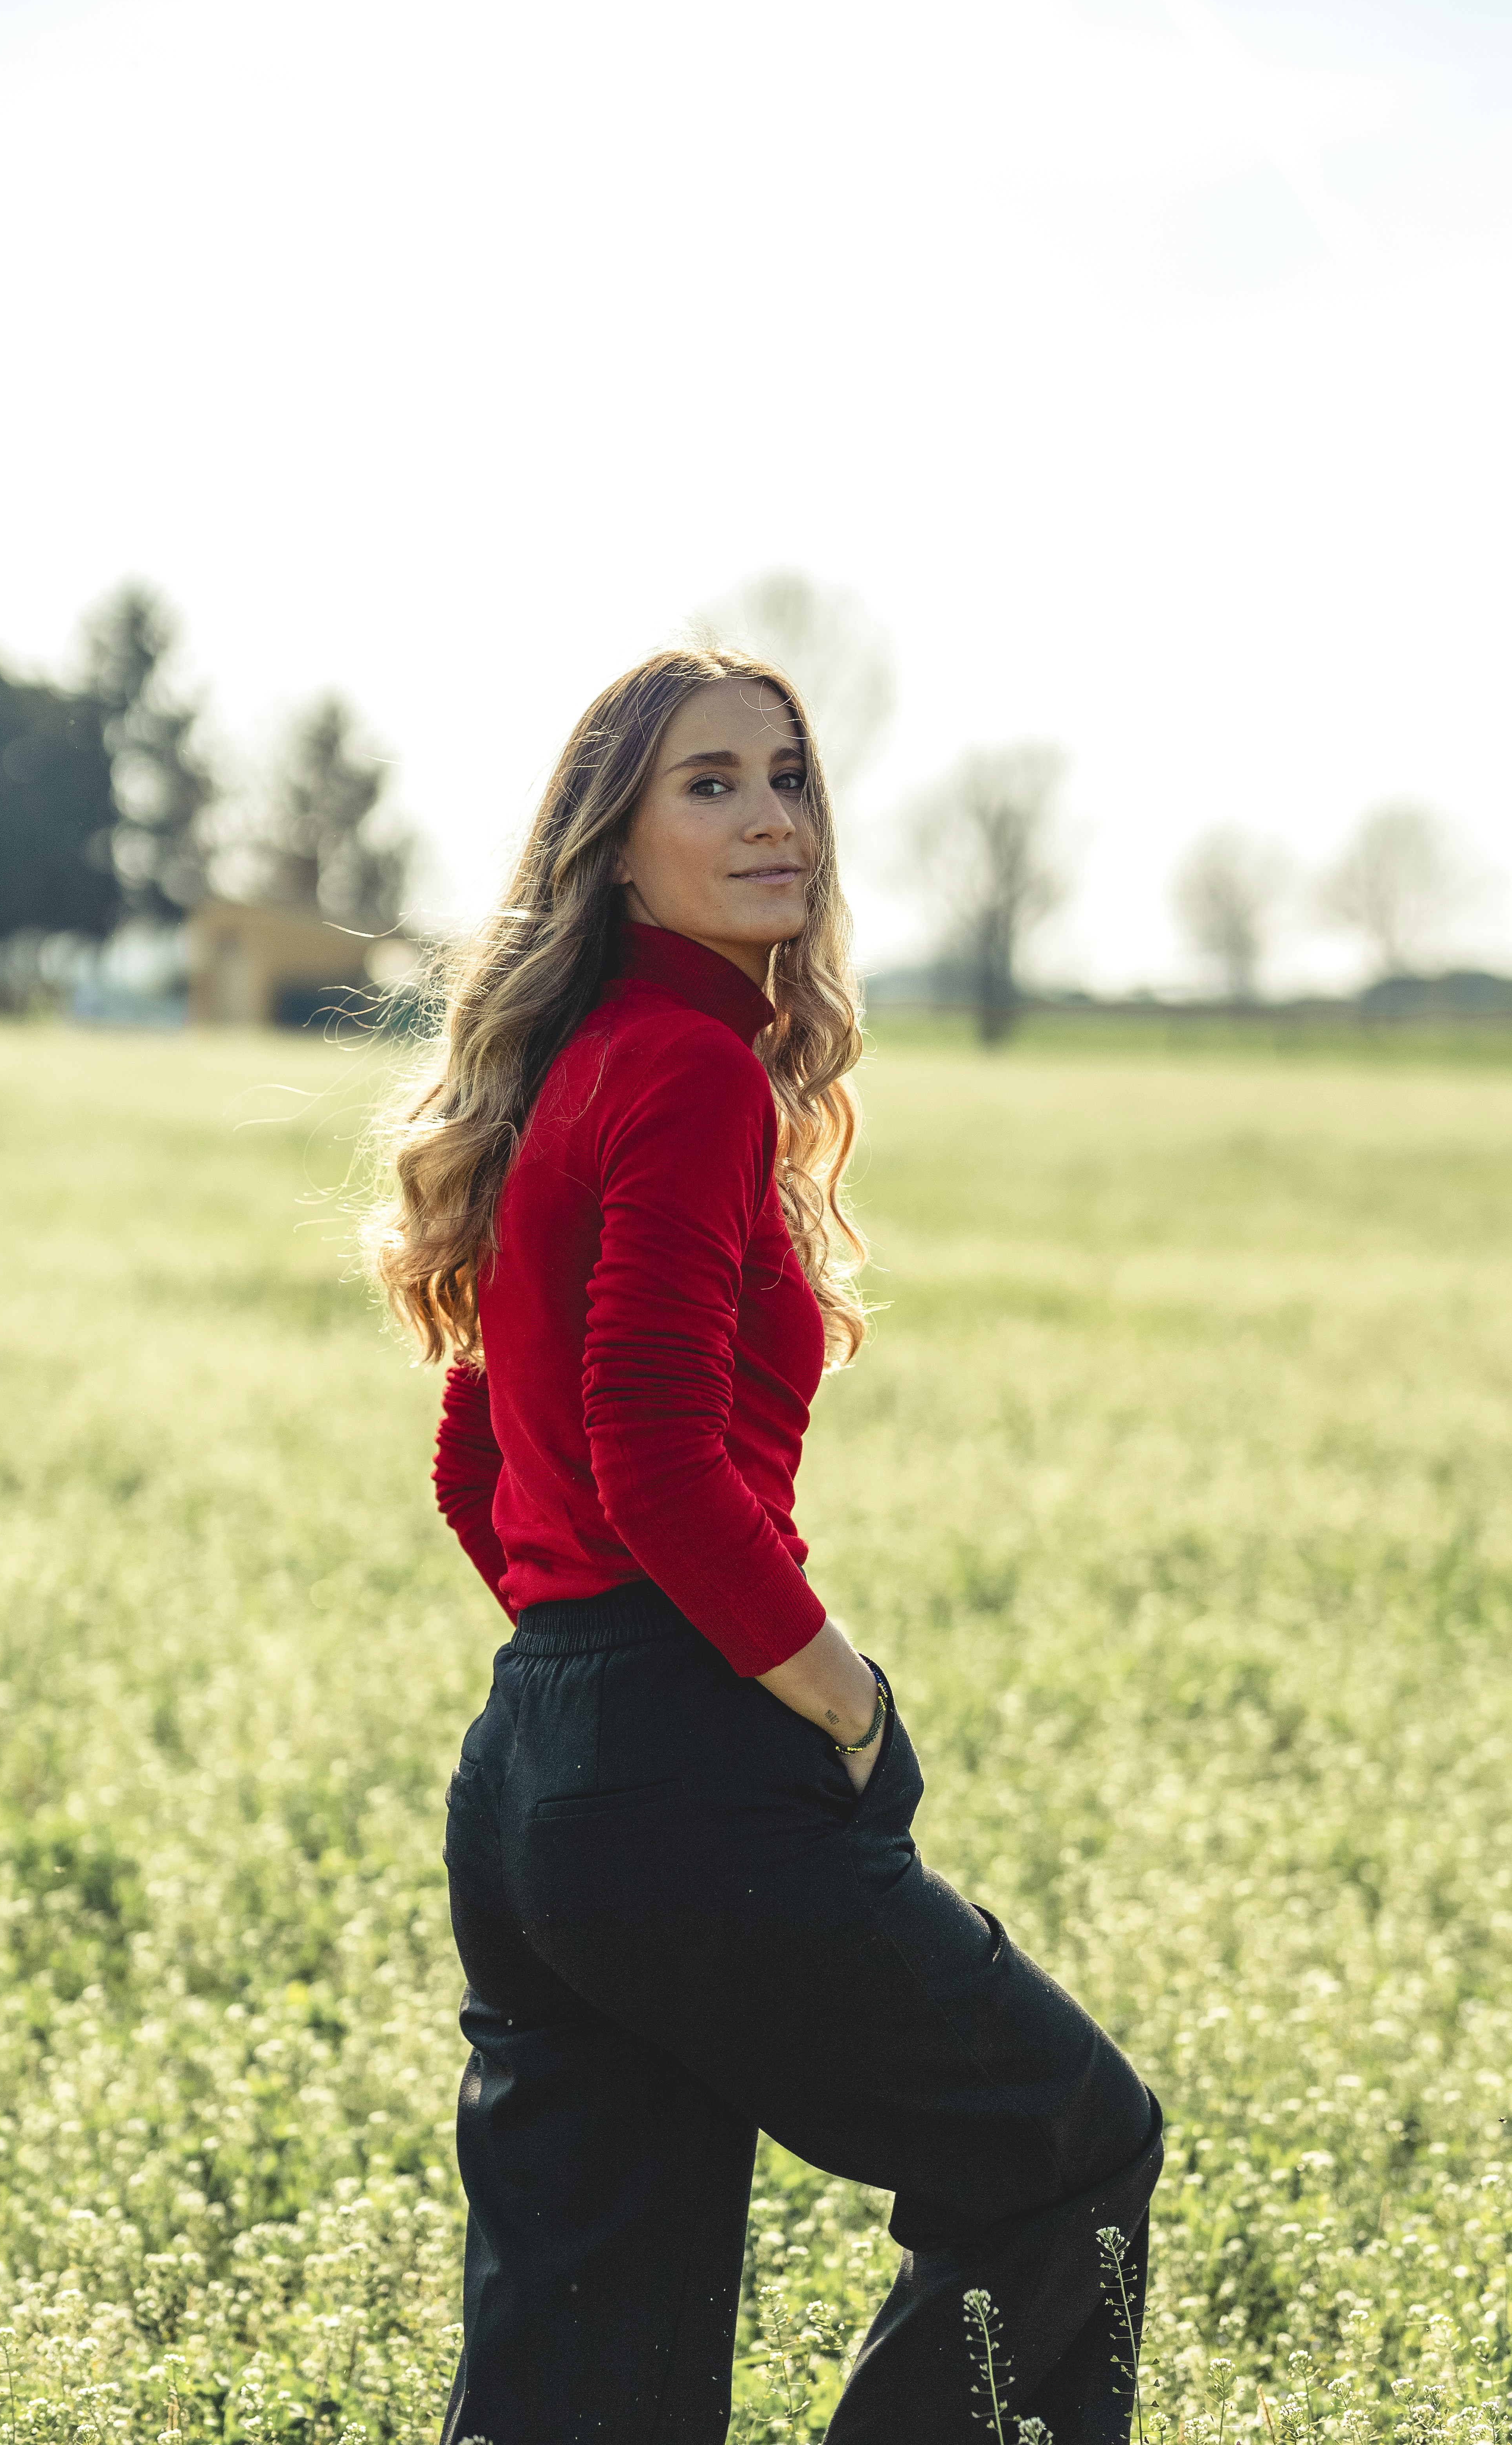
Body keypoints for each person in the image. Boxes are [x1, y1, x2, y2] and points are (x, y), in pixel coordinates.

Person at [368, 647, 1161, 2442]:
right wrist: (837, 1702)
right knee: (1067, 2148)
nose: (771, 817)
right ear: (614, 844)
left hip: (531, 1774)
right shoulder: (689, 1073)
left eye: (787, 775)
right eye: (708, 784)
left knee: (593, 2352)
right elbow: (651, 1461)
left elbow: (474, 1452)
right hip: (674, 1757)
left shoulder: (562, 1065)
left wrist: (580, 1679)